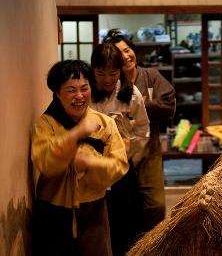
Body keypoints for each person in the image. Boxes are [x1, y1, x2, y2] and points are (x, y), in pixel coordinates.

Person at [31, 60, 129, 256]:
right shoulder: (45, 124)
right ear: (57, 94)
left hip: (94, 211)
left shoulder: (105, 123)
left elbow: (119, 166)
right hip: (52, 211)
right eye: (70, 90)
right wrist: (75, 135)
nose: (79, 96)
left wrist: (91, 162)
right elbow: (45, 162)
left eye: (84, 88)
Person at [102, 29, 176, 234]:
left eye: (127, 50)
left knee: (155, 205)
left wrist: (140, 107)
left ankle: (151, 244)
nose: (126, 56)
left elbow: (168, 106)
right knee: (122, 207)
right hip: (117, 153)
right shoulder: (109, 85)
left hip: (149, 150)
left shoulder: (151, 76)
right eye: (119, 53)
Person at [90, 43, 150, 255]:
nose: (107, 80)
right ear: (93, 70)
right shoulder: (86, 92)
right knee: (97, 222)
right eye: (100, 73)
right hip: (93, 168)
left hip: (123, 166)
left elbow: (143, 127)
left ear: (121, 70)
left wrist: (131, 153)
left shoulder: (131, 93)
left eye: (113, 73)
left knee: (127, 221)